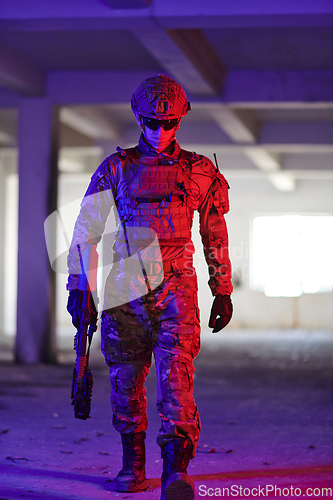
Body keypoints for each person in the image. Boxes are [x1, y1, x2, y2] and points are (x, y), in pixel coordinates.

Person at [67, 74, 233, 500]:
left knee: (176, 379)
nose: (160, 132)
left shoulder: (199, 172)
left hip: (177, 289)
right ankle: (132, 465)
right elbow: (86, 229)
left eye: (170, 123)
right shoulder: (117, 168)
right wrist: (79, 286)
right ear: (138, 118)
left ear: (181, 120)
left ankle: (175, 471)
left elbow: (214, 232)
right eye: (152, 122)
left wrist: (223, 288)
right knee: (126, 382)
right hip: (125, 288)